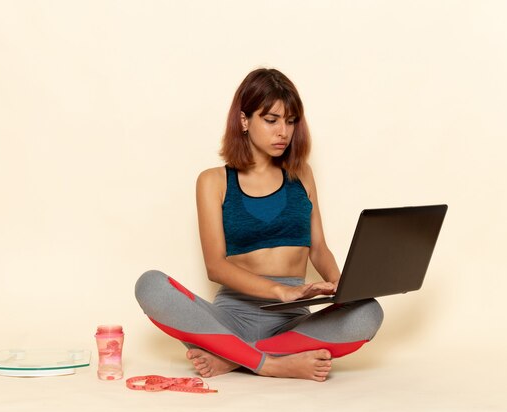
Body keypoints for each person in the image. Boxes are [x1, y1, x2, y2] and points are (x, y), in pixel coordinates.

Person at [135, 68, 383, 382]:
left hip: (291, 322)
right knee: (151, 285)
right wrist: (277, 290)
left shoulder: (301, 174)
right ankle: (271, 363)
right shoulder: (214, 181)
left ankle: (235, 356)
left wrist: (343, 289)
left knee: (369, 311)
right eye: (271, 120)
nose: (284, 132)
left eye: (290, 121)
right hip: (228, 317)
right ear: (244, 120)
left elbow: (318, 249)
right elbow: (215, 266)